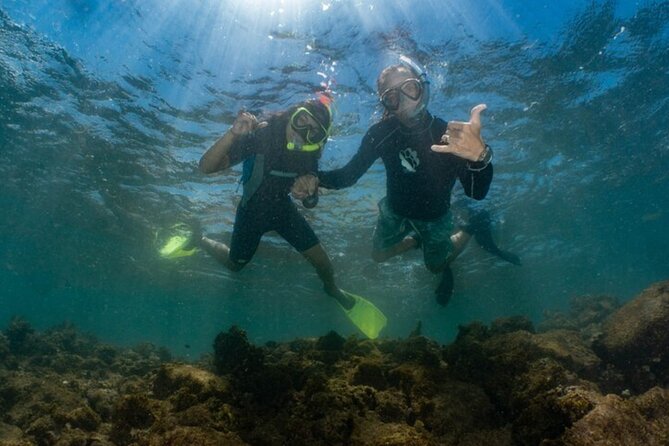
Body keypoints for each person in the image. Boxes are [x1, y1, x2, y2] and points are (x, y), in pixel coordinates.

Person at [293, 56, 519, 306]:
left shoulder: (448, 136)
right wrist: (315, 178)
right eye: (392, 96)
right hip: (394, 210)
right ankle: (416, 239)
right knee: (378, 255)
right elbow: (348, 176)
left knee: (435, 267)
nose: (403, 103)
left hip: (436, 217)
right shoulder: (379, 134)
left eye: (409, 88)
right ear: (386, 104)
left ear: (423, 89)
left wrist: (481, 158)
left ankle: (471, 226)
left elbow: (476, 193)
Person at [188, 97, 386, 339]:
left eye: (314, 131)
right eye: (302, 120)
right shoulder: (262, 136)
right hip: (251, 212)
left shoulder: (308, 154)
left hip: (282, 211)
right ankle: (199, 239)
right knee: (235, 265)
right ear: (292, 113)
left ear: (319, 139)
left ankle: (333, 289)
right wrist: (233, 133)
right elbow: (206, 167)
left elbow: (309, 199)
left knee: (323, 262)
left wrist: (309, 192)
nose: (303, 132)